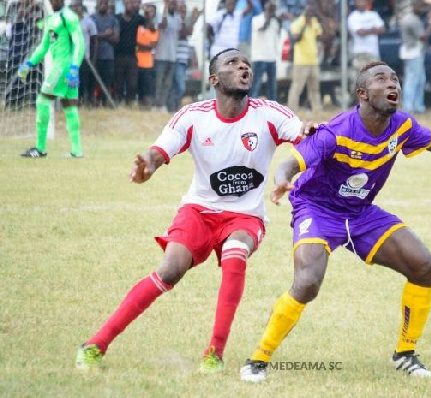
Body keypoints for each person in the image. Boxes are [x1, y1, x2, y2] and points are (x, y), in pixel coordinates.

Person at [240, 61, 431, 382]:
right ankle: (258, 359)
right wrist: (281, 180)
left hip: (361, 212)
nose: (393, 85)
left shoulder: (401, 125)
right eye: (381, 79)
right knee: (307, 283)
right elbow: (291, 163)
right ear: (362, 94)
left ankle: (405, 353)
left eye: (395, 79)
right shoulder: (338, 130)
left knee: (424, 265)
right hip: (317, 209)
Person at [75, 48, 317, 373]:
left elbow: (300, 133)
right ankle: (96, 344)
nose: (243, 66)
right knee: (169, 270)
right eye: (233, 63)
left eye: (246, 63)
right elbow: (159, 151)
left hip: (245, 216)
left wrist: (311, 133)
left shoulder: (269, 113)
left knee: (235, 252)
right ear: (214, 79)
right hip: (199, 210)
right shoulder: (193, 116)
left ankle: (214, 354)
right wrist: (148, 165)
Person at [19, 0, 85, 158]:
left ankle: (40, 149)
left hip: (62, 68)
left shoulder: (68, 17)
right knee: (70, 107)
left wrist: (75, 67)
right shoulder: (50, 19)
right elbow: (43, 47)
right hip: (65, 68)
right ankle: (76, 151)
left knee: (42, 102)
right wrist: (29, 63)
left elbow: (79, 43)